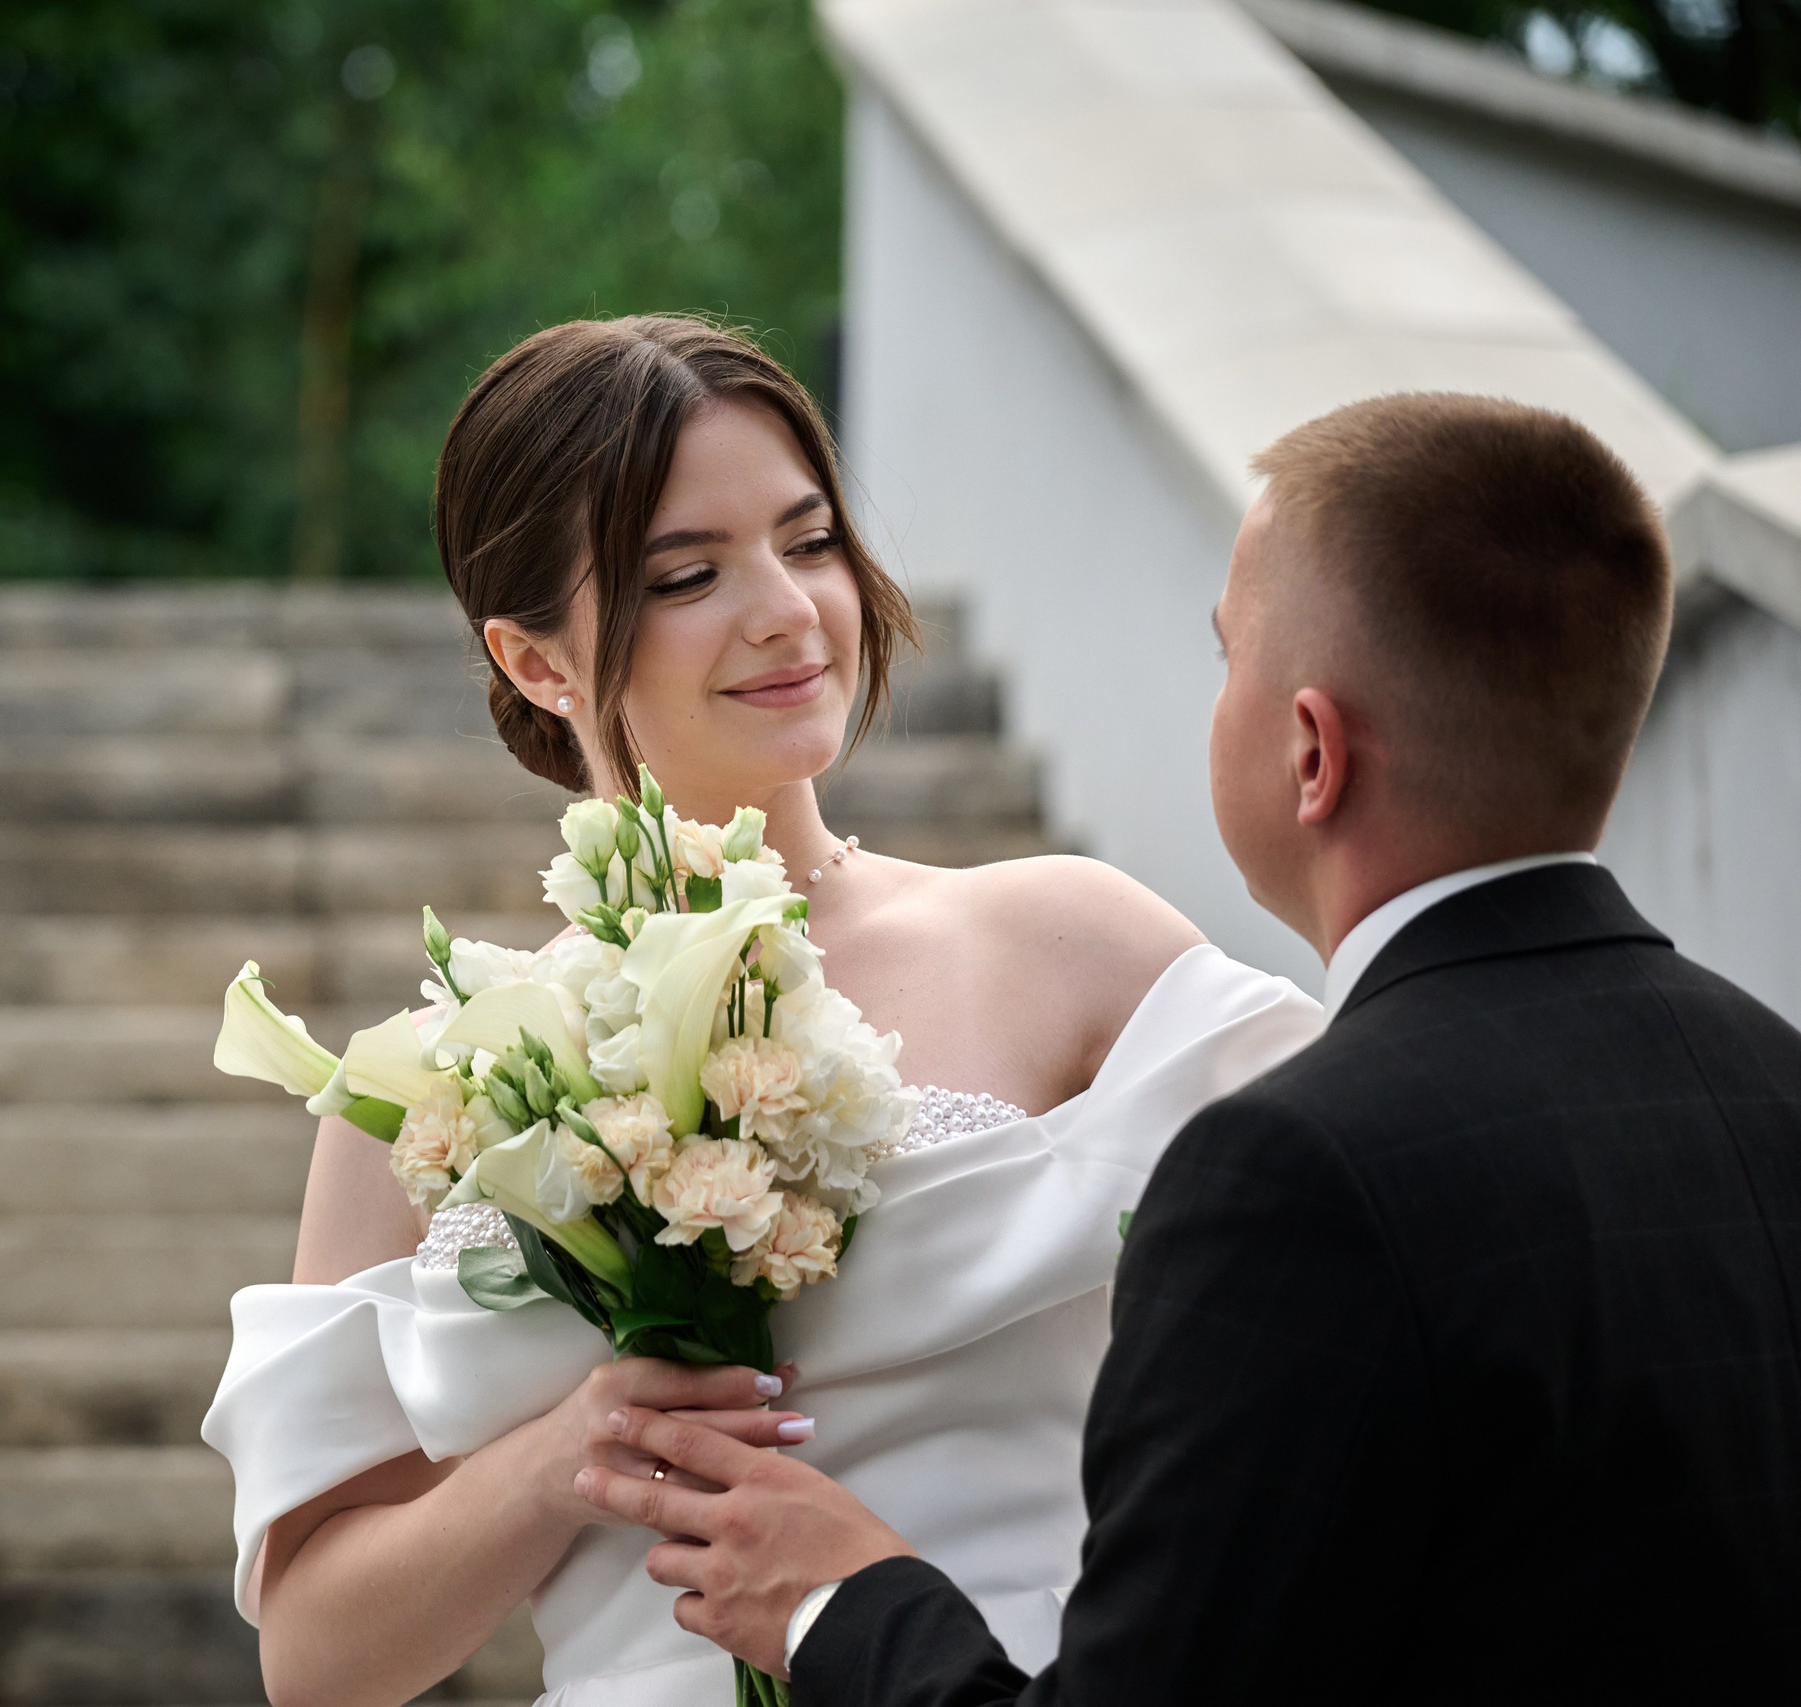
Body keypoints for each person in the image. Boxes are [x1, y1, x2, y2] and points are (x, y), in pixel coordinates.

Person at [578, 393, 1801, 1704]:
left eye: (1230, 659)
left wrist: (840, 1601)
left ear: (1312, 753)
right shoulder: (1775, 1083)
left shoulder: (1297, 1172)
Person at [199, 315, 1325, 1707]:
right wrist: (565, 1460)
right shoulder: (433, 1087)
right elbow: (315, 1661)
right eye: (689, 575)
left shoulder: (1062, 944)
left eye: (811, 541)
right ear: (538, 662)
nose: (789, 609)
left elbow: (1382, 1271)